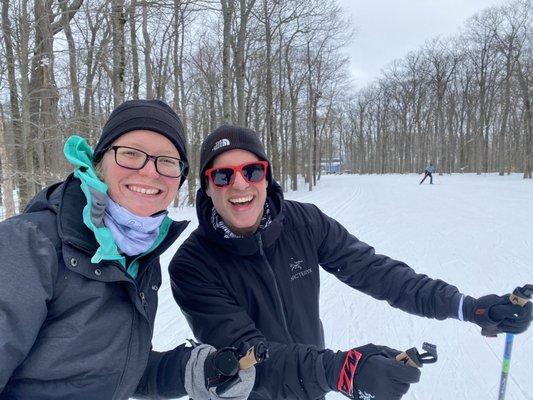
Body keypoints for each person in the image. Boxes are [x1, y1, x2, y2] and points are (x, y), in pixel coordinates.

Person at [169, 125, 532, 400]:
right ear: (207, 186)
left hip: (311, 386)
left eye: (252, 171)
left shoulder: (305, 223)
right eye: (223, 175)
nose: (239, 185)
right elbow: (248, 358)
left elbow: (376, 272)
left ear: (267, 175)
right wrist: (340, 370)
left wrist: (466, 307)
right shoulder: (192, 266)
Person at [0, 101, 255, 400]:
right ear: (99, 163)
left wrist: (193, 370)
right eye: (131, 154)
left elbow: (115, 371)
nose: (150, 172)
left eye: (167, 161)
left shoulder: (139, 254)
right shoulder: (27, 244)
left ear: (179, 179)